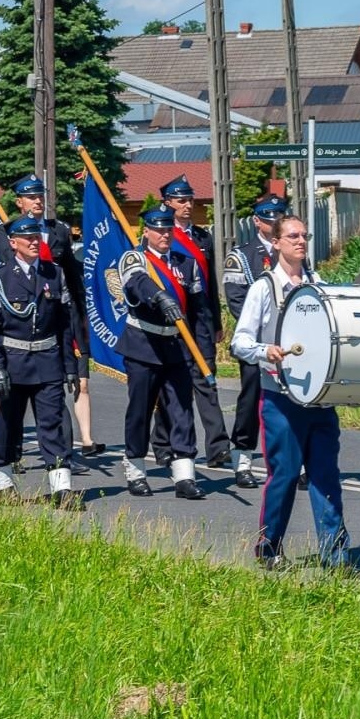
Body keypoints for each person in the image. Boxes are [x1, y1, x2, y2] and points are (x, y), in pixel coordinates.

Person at [231, 214, 348, 570]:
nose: (301, 241)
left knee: (326, 474)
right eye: (293, 235)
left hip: (318, 397)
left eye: (304, 235)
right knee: (282, 476)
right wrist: (265, 351)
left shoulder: (318, 284)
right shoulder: (263, 287)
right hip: (280, 397)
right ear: (277, 243)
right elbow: (240, 341)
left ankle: (335, 554)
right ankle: (269, 547)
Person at [0, 214, 83, 508]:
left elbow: (64, 325)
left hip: (48, 360)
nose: (34, 242)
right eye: (27, 238)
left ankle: (61, 488)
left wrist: (70, 366)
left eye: (37, 237)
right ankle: (2, 477)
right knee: (9, 424)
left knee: (53, 423)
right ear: (13, 243)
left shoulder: (54, 274)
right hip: (13, 362)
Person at [116, 203, 206, 500]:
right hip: (144, 343)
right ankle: (137, 468)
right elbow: (137, 284)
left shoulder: (186, 262)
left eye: (168, 228)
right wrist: (160, 297)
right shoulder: (135, 259)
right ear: (147, 232)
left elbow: (198, 308)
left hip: (177, 346)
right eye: (158, 229)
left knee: (181, 409)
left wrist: (203, 346)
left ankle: (184, 475)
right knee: (140, 410)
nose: (164, 234)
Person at [153, 174, 232, 471]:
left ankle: (218, 447)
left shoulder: (202, 237)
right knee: (174, 386)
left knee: (207, 381)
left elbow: (209, 284)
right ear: (168, 203)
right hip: (172, 322)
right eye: (181, 200)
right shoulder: (160, 236)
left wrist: (216, 322)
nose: (187, 205)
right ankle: (162, 443)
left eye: (190, 199)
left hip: (200, 321)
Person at [221, 195, 291, 489]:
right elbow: (236, 300)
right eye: (269, 218)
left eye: (280, 217)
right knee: (250, 400)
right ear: (257, 222)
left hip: (290, 344)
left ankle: (291, 461)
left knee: (291, 399)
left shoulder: (294, 254)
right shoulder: (241, 256)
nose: (275, 222)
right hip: (256, 342)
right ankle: (243, 458)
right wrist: (264, 333)